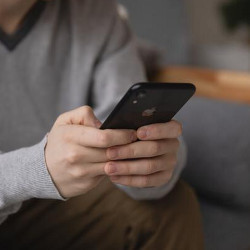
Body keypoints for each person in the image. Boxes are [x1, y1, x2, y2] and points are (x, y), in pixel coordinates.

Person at [0, 0, 204, 249]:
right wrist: (39, 169)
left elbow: (125, 113)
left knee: (173, 206)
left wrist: (153, 163)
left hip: (50, 207)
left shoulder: (95, 12)